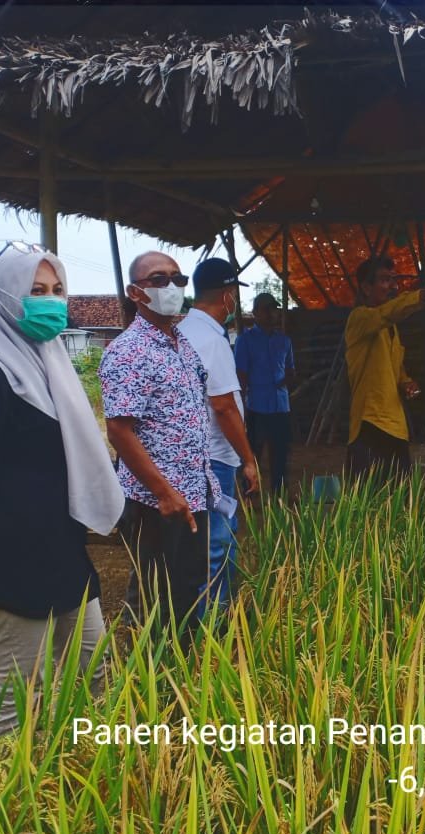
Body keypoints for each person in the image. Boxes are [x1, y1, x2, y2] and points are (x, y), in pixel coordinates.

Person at [0, 241, 124, 735]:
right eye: (35, 290)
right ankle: (9, 780)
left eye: (56, 290)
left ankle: (85, 766)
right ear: (0, 298)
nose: (50, 302)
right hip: (7, 558)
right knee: (17, 695)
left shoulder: (47, 364)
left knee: (94, 668)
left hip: (60, 548)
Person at [98, 251, 216, 647]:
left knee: (186, 585)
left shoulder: (180, 343)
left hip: (192, 491)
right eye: (159, 280)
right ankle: (148, 671)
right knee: (155, 594)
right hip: (158, 500)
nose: (172, 287)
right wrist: (164, 493)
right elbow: (119, 430)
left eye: (178, 279)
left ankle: (184, 666)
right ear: (135, 292)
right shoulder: (128, 351)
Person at [176, 258, 260, 618]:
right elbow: (224, 407)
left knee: (203, 539)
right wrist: (249, 459)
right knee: (218, 541)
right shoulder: (211, 339)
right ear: (227, 296)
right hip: (214, 458)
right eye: (234, 295)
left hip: (194, 454)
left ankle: (198, 617)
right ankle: (213, 623)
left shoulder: (183, 330)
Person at [344, 255, 425, 479]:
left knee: (399, 494)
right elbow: (388, 312)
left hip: (396, 425)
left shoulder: (390, 328)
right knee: (368, 495)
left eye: (393, 280)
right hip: (369, 422)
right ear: (366, 287)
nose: (392, 286)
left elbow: (396, 369)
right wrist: (423, 295)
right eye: (384, 280)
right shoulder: (359, 318)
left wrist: (406, 382)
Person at [235, 291, 295, 494]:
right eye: (266, 309)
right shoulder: (245, 340)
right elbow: (241, 375)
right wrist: (241, 407)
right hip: (256, 406)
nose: (271, 313)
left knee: (281, 454)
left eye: (274, 309)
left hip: (281, 406)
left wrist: (282, 382)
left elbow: (291, 370)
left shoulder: (284, 341)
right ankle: (249, 495)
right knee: (253, 453)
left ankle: (279, 495)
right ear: (255, 313)